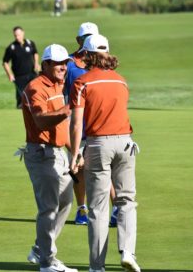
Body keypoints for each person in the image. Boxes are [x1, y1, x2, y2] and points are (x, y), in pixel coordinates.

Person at [69, 34, 141, 272]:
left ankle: (97, 267)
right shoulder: (122, 81)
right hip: (126, 144)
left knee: (98, 207)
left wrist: (75, 153)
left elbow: (77, 123)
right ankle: (128, 252)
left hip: (99, 145)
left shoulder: (82, 83)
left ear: (87, 55)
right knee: (126, 201)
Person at [22, 44, 77, 272]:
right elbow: (41, 120)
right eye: (57, 63)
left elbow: (62, 127)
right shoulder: (36, 88)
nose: (63, 67)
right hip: (42, 154)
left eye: (65, 63)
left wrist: (75, 152)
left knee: (65, 199)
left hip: (58, 153)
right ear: (45, 65)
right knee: (48, 208)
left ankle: (39, 247)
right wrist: (67, 109)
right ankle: (47, 262)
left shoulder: (57, 84)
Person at [65, 22, 119, 227]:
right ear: (79, 41)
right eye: (85, 37)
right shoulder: (69, 63)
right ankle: (82, 209)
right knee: (78, 168)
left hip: (100, 124)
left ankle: (115, 211)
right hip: (77, 122)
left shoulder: (103, 62)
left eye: (92, 36)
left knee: (107, 167)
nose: (88, 40)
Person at [2, 26, 39, 108]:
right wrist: (10, 74)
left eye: (18, 35)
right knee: (21, 99)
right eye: (15, 35)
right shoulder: (11, 48)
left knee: (35, 95)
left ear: (23, 33)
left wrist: (36, 63)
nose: (17, 37)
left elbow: (35, 53)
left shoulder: (30, 43)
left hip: (32, 74)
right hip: (19, 77)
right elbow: (5, 62)